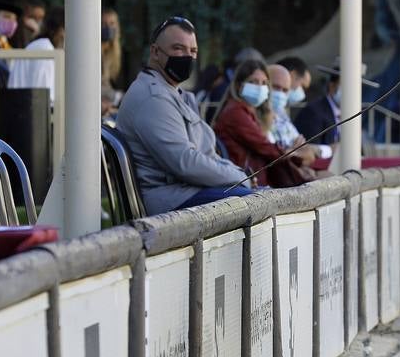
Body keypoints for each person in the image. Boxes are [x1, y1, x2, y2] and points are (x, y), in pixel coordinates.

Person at [114, 15, 252, 214]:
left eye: (193, 51)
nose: (187, 57)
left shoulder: (173, 93)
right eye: (178, 49)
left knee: (260, 195)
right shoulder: (153, 98)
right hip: (171, 199)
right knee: (255, 201)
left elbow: (207, 155)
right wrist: (239, 177)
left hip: (188, 191)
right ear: (155, 51)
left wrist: (240, 175)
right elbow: (185, 163)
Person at [214, 59, 310, 189]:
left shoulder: (249, 111)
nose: (259, 87)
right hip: (244, 183)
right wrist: (293, 153)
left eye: (264, 83)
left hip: (254, 180)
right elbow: (264, 146)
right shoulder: (236, 112)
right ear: (238, 85)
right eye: (253, 82)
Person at [268, 62, 323, 166]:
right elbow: (276, 158)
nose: (280, 93)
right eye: (275, 87)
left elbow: (308, 154)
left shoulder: (281, 112)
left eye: (285, 90)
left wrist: (293, 152)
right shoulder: (253, 117)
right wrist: (294, 151)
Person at [9, 6, 65, 101]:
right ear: (60, 29)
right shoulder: (44, 49)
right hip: (30, 111)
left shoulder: (42, 46)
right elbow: (43, 94)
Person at [293, 65, 341, 147]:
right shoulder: (313, 112)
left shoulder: (352, 113)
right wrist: (330, 150)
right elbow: (311, 148)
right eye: (347, 85)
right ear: (332, 86)